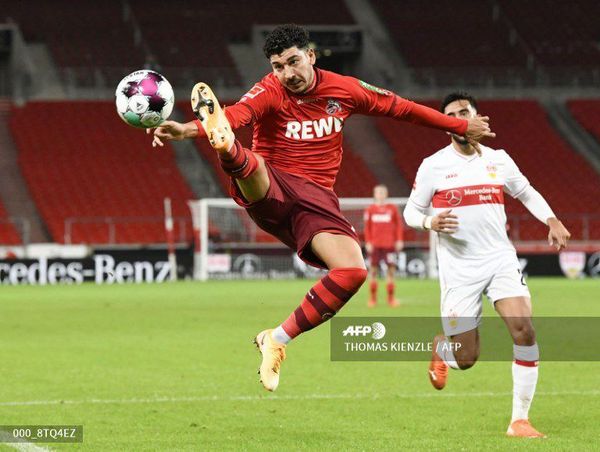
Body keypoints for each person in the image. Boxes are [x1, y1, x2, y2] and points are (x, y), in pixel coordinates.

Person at [148, 25, 494, 392]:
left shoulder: (345, 90)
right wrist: (190, 130)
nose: (287, 73)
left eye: (294, 62)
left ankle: (276, 339)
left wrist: (459, 125)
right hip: (273, 185)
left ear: (311, 56)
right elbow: (239, 113)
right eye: (279, 66)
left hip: (316, 203)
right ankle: (228, 150)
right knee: (248, 160)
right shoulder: (271, 89)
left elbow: (402, 108)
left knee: (352, 271)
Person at [403, 92, 571, 437]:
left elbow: (525, 192)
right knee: (465, 359)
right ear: (447, 125)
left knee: (524, 329)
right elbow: (411, 212)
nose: (460, 117)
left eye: (465, 111)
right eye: (452, 115)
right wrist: (428, 223)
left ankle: (519, 420)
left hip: (499, 259)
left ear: (478, 116)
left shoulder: (499, 160)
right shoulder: (434, 165)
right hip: (459, 271)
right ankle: (443, 348)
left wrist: (551, 219)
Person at [363, 184, 403, 307]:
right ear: (374, 195)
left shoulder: (393, 209)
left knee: (391, 272)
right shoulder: (370, 210)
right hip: (375, 245)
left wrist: (399, 240)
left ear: (386, 194)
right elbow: (367, 228)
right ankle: (372, 299)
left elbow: (399, 226)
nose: (380, 195)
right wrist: (368, 242)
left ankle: (391, 299)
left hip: (389, 244)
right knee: (373, 271)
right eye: (378, 193)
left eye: (382, 193)